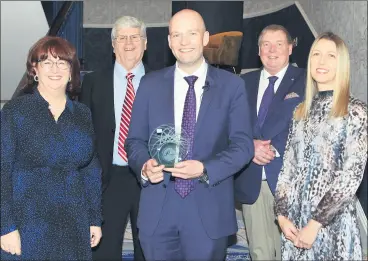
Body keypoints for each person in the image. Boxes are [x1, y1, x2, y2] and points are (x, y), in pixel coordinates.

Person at [125, 9, 254, 261]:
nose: (184, 42)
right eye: (177, 35)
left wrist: (205, 168)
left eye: (191, 34)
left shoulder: (232, 86)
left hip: (207, 207)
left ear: (205, 38)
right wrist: (144, 165)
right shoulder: (149, 84)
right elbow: (134, 141)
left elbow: (242, 146)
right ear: (170, 41)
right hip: (159, 208)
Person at [0, 36, 102, 260]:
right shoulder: (15, 111)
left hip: (74, 222)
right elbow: (2, 170)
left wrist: (94, 218)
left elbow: (90, 170)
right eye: (47, 62)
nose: (55, 69)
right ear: (35, 70)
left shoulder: (82, 113)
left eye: (62, 62)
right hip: (27, 223)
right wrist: (5, 226)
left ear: (71, 71)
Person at [274, 32, 367, 260]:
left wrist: (315, 224)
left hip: (332, 224)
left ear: (342, 63)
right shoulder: (300, 112)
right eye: (316, 54)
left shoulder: (355, 111)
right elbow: (288, 169)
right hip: (295, 222)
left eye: (330, 56)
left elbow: (350, 177)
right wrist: (282, 216)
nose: (321, 61)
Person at [234, 24, 305, 260]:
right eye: (266, 44)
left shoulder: (306, 80)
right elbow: (231, 125)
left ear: (290, 48)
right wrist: (249, 147)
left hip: (289, 182)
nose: (272, 50)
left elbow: (309, 127)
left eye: (279, 44)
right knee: (259, 252)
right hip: (252, 178)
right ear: (258, 50)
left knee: (290, 251)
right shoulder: (241, 83)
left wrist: (274, 148)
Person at [79, 16, 148, 261]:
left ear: (145, 43)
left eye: (134, 37)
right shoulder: (94, 82)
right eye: (122, 38)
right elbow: (84, 134)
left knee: (149, 249)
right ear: (113, 45)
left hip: (150, 179)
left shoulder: (161, 81)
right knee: (104, 251)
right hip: (108, 178)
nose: (128, 43)